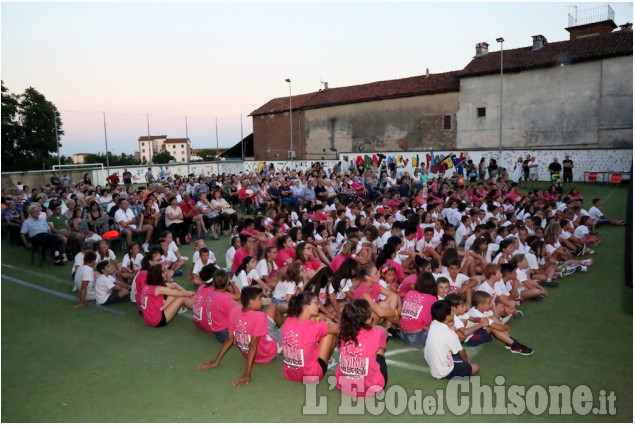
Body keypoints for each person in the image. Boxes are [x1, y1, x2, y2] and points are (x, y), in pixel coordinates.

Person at [198, 287, 282, 386]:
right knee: (292, 321)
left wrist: (216, 361)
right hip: (270, 351)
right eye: (259, 298)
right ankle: (282, 338)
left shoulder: (235, 311)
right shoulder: (260, 317)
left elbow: (230, 339)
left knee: (272, 306)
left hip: (249, 352)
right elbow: (253, 346)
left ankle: (278, 328)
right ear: (251, 302)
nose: (262, 301)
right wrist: (247, 373)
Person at [281, 291, 339, 383]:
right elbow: (337, 328)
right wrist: (328, 320)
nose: (319, 306)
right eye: (316, 303)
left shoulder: (289, 319)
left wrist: (318, 319)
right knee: (329, 333)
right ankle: (329, 360)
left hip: (290, 373)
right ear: (306, 306)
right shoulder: (314, 327)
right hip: (310, 375)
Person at [335, 299, 388, 398]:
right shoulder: (378, 332)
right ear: (367, 318)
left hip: (344, 386)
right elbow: (383, 338)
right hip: (370, 389)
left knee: (352, 351)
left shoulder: (342, 331)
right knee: (379, 349)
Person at [424, 299, 479, 379]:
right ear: (448, 316)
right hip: (445, 372)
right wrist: (466, 362)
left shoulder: (433, 324)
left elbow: (451, 327)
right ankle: (455, 375)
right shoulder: (450, 334)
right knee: (475, 367)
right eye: (452, 311)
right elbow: (462, 354)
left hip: (433, 366)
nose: (453, 313)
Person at [193, 267, 237, 342]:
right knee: (240, 307)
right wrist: (231, 283)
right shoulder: (220, 295)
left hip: (203, 324)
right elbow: (238, 296)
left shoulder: (201, 287)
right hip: (216, 329)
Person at [399, 272, 437, 349]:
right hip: (418, 336)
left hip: (403, 334)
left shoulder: (410, 293)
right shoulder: (432, 299)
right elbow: (428, 320)